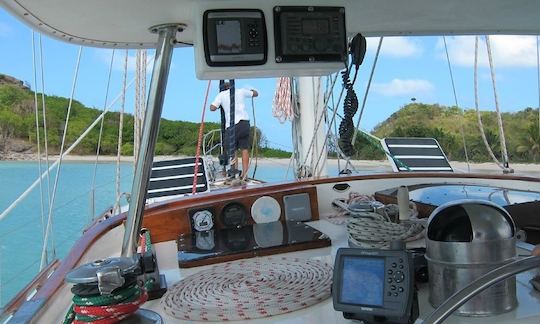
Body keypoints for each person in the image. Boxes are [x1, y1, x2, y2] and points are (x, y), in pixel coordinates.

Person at [210, 82, 258, 179]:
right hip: (244, 122)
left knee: (233, 149)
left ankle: (235, 173)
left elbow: (212, 108)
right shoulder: (241, 91)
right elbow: (256, 93)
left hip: (232, 125)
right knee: (244, 149)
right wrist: (252, 91)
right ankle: (245, 174)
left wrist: (220, 104)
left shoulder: (221, 95)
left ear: (223, 88)